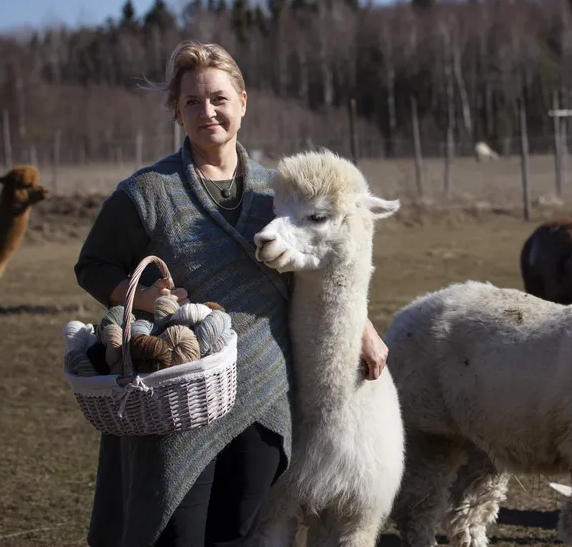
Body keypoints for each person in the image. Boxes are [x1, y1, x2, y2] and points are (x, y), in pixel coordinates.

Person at [73, 39, 389, 547]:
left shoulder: (278, 190)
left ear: (243, 100)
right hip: (180, 392)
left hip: (265, 395)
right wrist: (149, 299)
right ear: (177, 111)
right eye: (192, 102)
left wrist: (365, 330)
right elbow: (92, 265)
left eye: (219, 98)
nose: (208, 112)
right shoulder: (148, 192)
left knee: (241, 536)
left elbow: (324, 260)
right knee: (178, 534)